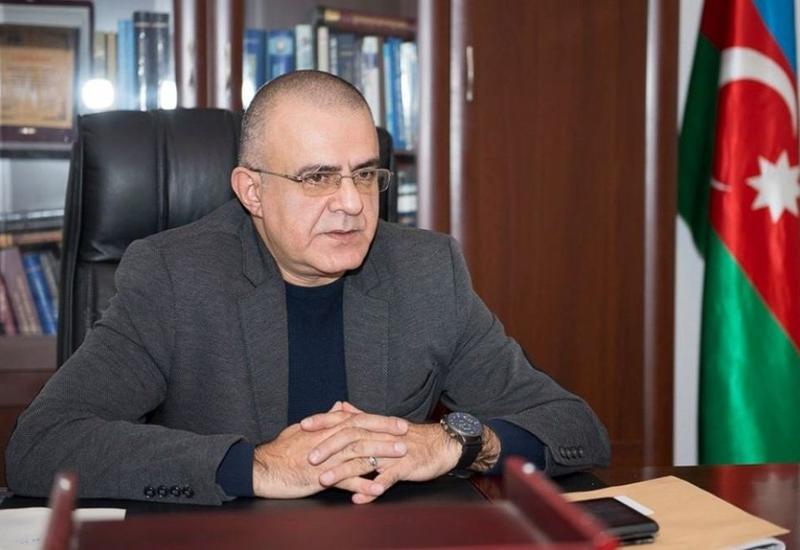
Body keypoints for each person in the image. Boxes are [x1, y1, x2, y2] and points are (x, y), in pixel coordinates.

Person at [5, 71, 610, 505]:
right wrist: (256, 467)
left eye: (365, 175)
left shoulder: (426, 271)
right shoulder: (173, 277)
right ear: (252, 191)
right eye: (318, 177)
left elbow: (575, 428)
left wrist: (454, 444)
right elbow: (40, 446)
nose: (352, 204)